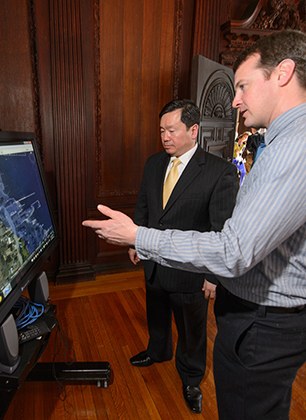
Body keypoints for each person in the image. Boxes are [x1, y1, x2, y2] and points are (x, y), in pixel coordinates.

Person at [82, 29, 306, 420]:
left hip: (263, 324)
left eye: (242, 84)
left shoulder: (299, 148)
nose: (234, 99)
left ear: (282, 73)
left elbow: (234, 251)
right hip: (268, 315)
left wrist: (138, 236)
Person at [128, 99, 239, 414]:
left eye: (172, 130)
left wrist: (213, 275)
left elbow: (223, 232)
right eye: (161, 130)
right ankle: (158, 351)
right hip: (153, 262)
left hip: (192, 272)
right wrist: (136, 240)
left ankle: (191, 378)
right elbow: (145, 207)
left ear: (193, 130)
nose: (165, 136)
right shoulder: (153, 163)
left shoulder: (220, 172)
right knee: (157, 313)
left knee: (192, 331)